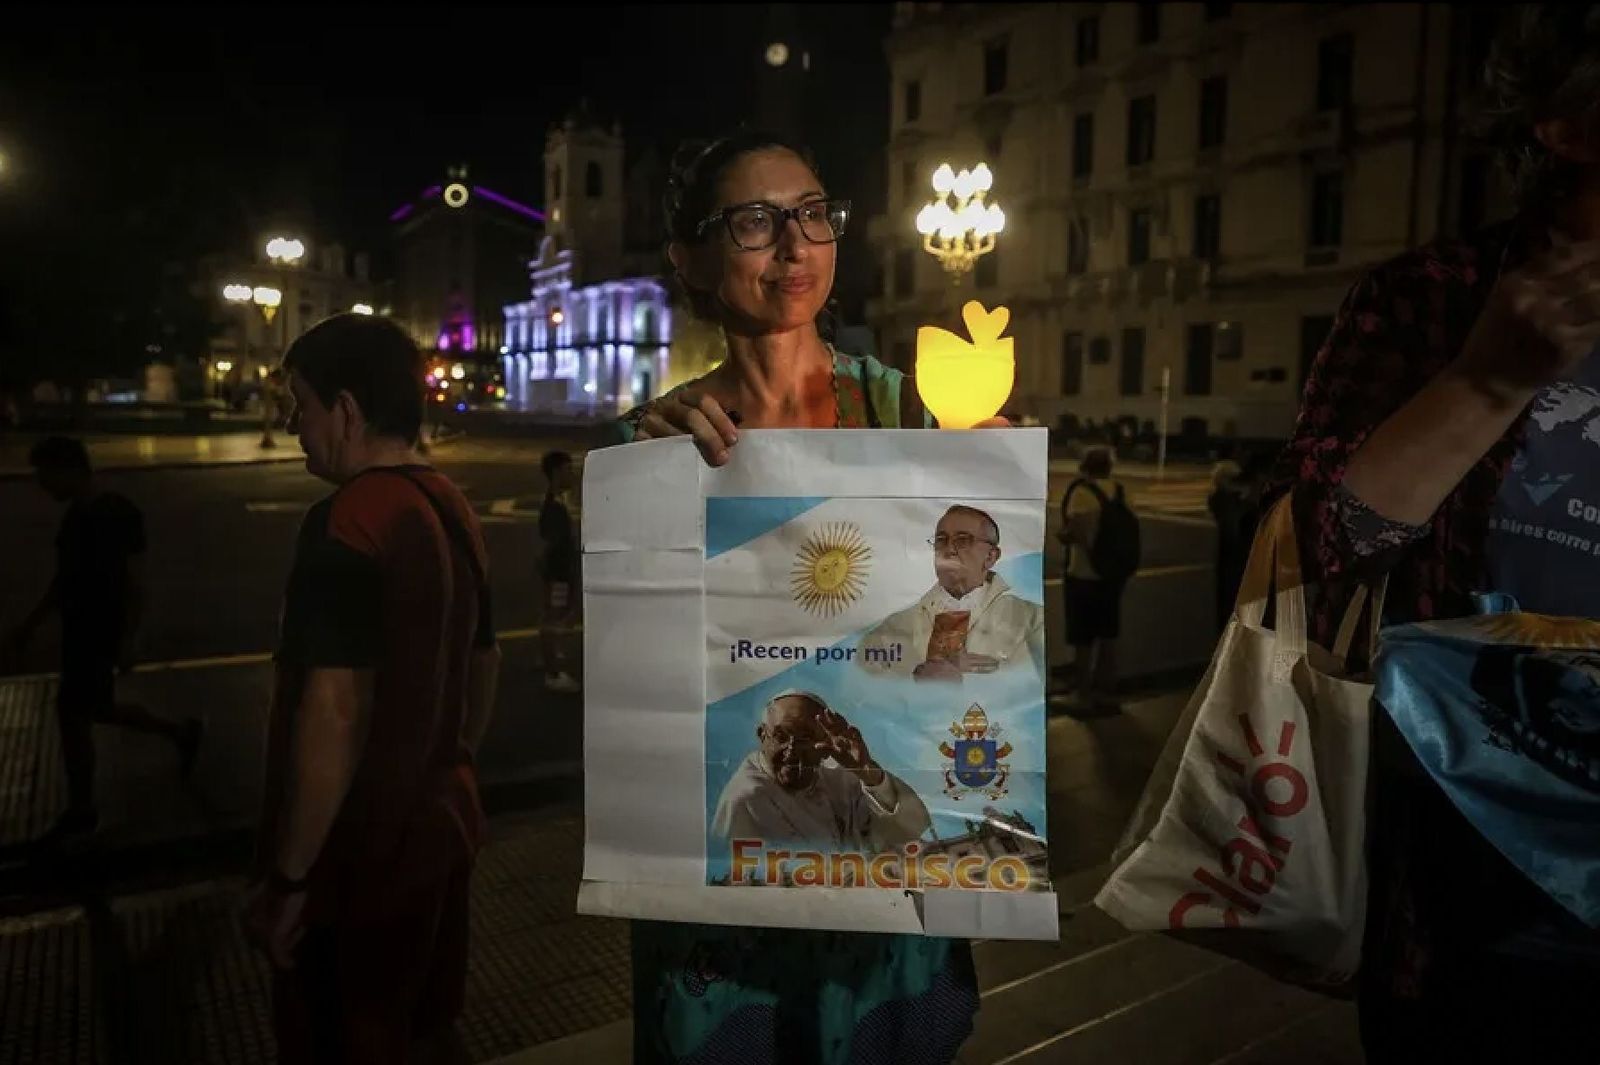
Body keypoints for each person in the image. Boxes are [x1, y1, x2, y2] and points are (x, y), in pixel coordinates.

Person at [617, 129, 996, 1065]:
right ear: (691, 259)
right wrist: (644, 493)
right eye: (754, 221)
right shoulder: (653, 445)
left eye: (813, 215)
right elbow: (631, 676)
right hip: (724, 916)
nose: (793, 246)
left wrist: (996, 491)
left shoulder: (913, 416)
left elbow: (985, 633)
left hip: (881, 899)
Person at [1269, 6, 1600, 1057]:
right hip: (1467, 895)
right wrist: (1484, 380)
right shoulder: (1432, 299)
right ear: (1562, 121)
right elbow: (1329, 544)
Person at [243, 314, 500, 1065]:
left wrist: (290, 878)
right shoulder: (451, 505)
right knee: (422, 1026)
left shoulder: (348, 522)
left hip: (354, 856)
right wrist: (443, 767)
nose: (293, 424)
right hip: (439, 826)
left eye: (301, 404)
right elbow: (483, 666)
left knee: (342, 1036)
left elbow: (335, 708)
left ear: (348, 412)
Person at [6, 436, 201, 843]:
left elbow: (135, 580)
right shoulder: (75, 517)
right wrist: (32, 623)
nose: (43, 486)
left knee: (74, 714)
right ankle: (180, 732)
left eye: (47, 476)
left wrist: (129, 636)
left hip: (100, 629)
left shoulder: (115, 514)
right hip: (81, 629)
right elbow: (65, 580)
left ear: (72, 470)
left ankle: (82, 809)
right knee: (97, 708)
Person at [712, 691, 931, 864]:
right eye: (781, 736)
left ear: (826, 745)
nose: (792, 750)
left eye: (805, 738)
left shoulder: (839, 777)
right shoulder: (747, 798)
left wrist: (866, 771)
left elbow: (912, 828)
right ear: (762, 735)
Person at [859, 505, 1044, 679]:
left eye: (962, 540)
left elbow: (1032, 694)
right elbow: (861, 675)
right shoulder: (897, 625)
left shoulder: (1032, 619)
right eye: (941, 540)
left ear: (990, 556)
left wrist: (965, 679)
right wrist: (916, 674)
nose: (948, 550)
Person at [1057, 447, 1131, 710]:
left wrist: (1064, 536)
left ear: (1084, 466)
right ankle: (1107, 690)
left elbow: (1076, 533)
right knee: (1108, 634)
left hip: (1084, 574)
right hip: (1112, 576)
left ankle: (1083, 694)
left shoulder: (1082, 493)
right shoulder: (1119, 491)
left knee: (1083, 638)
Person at [537, 449, 581, 693]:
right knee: (553, 619)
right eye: (568, 470)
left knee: (554, 617)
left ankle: (550, 657)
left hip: (559, 573)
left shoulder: (556, 500)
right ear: (555, 472)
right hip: (558, 574)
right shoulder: (554, 506)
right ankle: (553, 672)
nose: (572, 474)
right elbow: (550, 545)